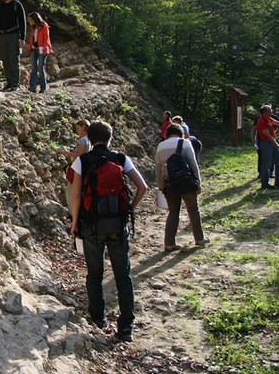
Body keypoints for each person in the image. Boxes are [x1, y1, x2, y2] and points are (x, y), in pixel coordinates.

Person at [70, 120, 148, 342]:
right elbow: (143, 187)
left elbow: (76, 196)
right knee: (123, 276)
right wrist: (129, 209)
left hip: (91, 226)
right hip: (117, 224)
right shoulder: (121, 159)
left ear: (90, 139)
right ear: (110, 137)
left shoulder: (81, 161)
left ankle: (98, 320)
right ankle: (125, 328)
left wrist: (75, 223)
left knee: (94, 274)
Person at [155, 123, 210, 251]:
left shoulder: (160, 146)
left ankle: (169, 243)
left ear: (166, 134)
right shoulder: (185, 143)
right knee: (193, 209)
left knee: (173, 212)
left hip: (169, 184)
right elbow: (193, 164)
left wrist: (160, 186)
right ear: (182, 134)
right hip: (186, 182)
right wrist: (198, 183)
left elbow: (158, 168)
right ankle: (199, 239)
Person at [0, 0, 26, 92]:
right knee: (5, 59)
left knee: (14, 59)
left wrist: (22, 38)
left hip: (13, 35)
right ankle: (9, 81)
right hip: (2, 35)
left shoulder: (17, 5)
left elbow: (22, 22)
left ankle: (15, 83)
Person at [60, 119, 92, 215]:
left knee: (71, 191)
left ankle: (73, 214)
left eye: (78, 128)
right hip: (85, 169)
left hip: (79, 169)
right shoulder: (89, 139)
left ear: (83, 127)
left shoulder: (82, 140)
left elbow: (80, 155)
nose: (77, 130)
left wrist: (65, 152)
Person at [25, 12, 53, 93]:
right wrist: (29, 49)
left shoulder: (44, 26)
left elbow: (47, 39)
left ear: (35, 18)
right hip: (34, 49)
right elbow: (32, 39)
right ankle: (32, 87)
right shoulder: (33, 27)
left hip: (42, 49)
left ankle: (43, 88)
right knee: (34, 68)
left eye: (30, 19)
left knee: (41, 68)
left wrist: (44, 49)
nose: (30, 21)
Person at [255, 105, 279, 189]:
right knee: (267, 164)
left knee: (278, 161)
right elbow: (268, 136)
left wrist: (276, 133)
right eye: (270, 111)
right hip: (266, 144)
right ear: (264, 112)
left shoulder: (268, 118)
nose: (271, 113)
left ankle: (277, 183)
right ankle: (265, 183)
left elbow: (277, 123)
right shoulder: (261, 121)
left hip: (271, 142)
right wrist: (277, 145)